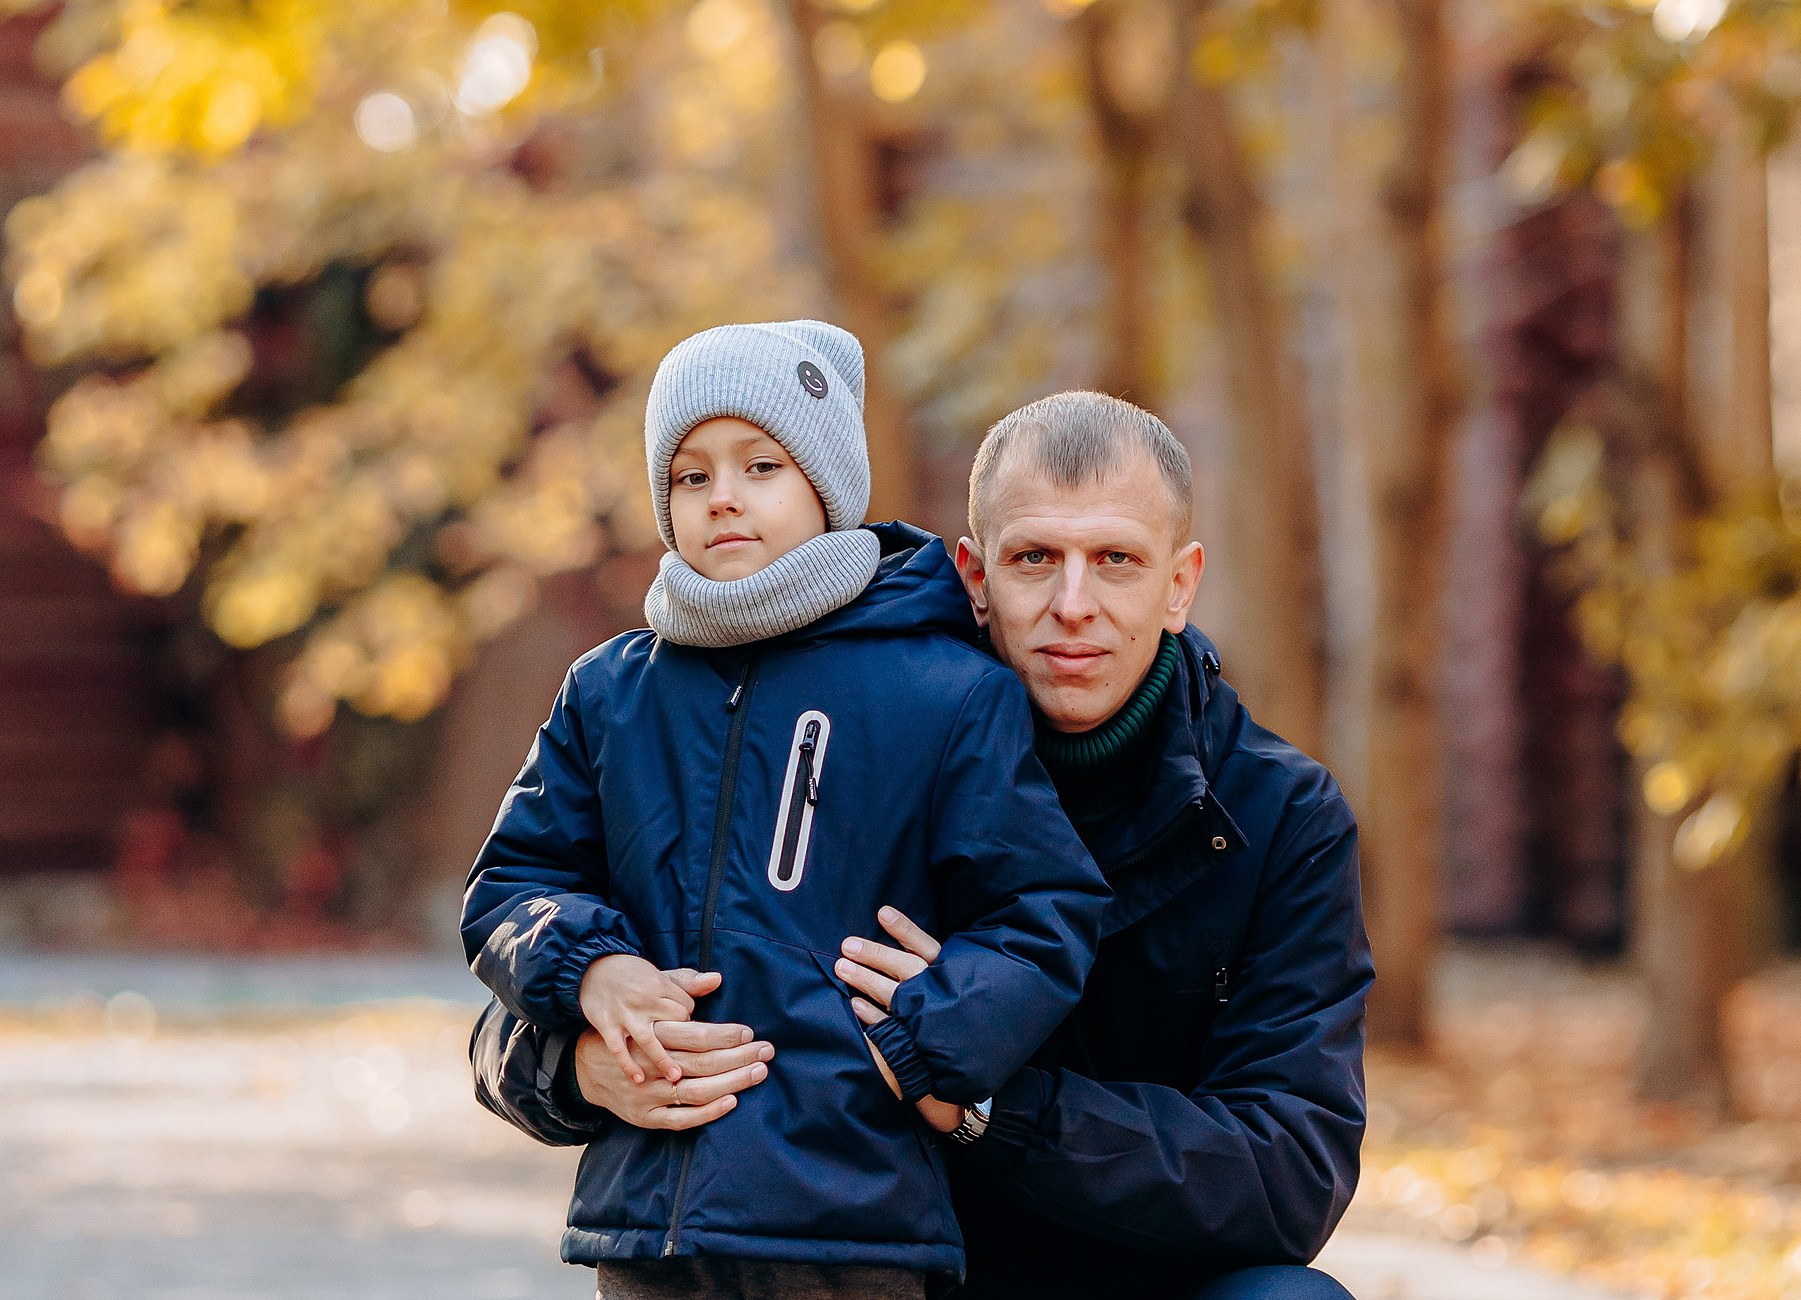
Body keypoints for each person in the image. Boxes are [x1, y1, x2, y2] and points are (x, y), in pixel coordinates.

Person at [474, 391, 1370, 1300]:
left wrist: (987, 1108)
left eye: (1115, 561)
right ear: (975, 577)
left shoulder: (1278, 816)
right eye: (1034, 559)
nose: (1072, 604)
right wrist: (584, 1069)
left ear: (1178, 584)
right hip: (889, 1267)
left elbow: (1289, 1175)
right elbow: (552, 966)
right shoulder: (857, 734)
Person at [461, 323, 1111, 1300]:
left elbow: (1045, 914)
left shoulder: (946, 693)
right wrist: (592, 970)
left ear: (826, 484)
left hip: (857, 1233)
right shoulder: (612, 694)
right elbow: (512, 884)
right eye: (690, 475)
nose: (722, 494)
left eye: (761, 463)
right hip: (652, 1228)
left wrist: (923, 1037)